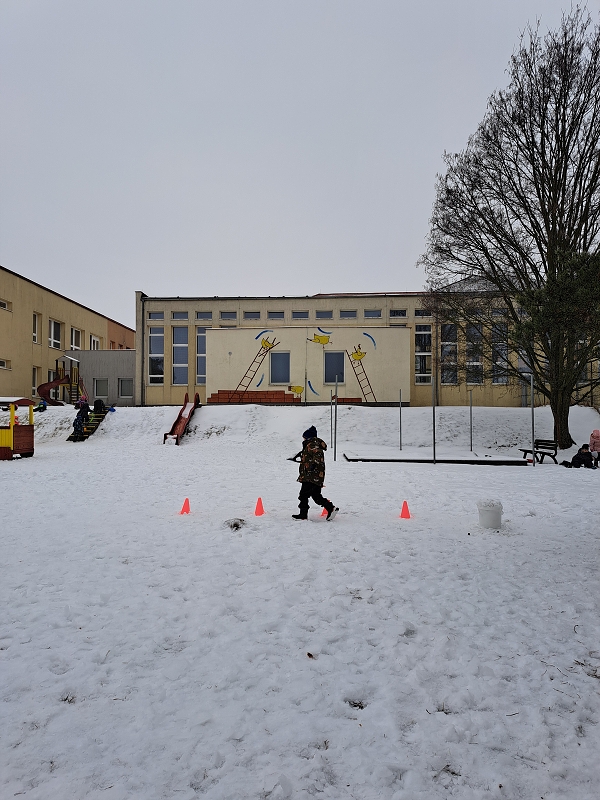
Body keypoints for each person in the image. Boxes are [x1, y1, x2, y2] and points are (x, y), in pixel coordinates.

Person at [289, 426, 339, 520]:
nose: (303, 439)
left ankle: (303, 515)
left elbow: (318, 455)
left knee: (303, 495)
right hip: (315, 475)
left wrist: (313, 465)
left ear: (308, 437)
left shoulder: (311, 444)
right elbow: (310, 457)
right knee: (316, 495)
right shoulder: (311, 445)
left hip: (311, 475)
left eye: (304, 437)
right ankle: (330, 508)